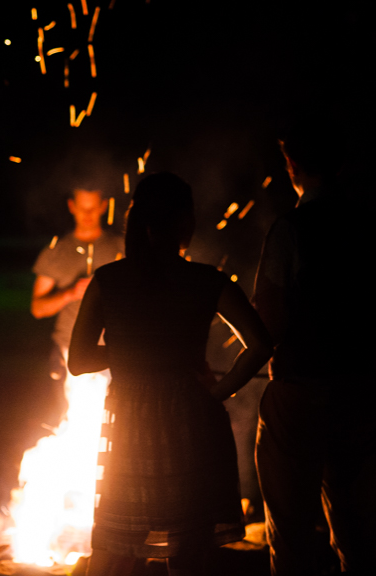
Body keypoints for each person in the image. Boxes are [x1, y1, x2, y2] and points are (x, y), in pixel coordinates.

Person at [68, 173, 273, 576]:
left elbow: (78, 360)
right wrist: (218, 393)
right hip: (192, 419)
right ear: (183, 222)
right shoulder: (205, 280)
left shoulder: (109, 279)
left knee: (115, 545)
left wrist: (129, 350)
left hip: (131, 422)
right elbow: (261, 345)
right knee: (188, 549)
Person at [253, 118, 376, 575]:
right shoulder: (371, 226)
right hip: (361, 389)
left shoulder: (291, 229)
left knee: (291, 534)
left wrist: (232, 378)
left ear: (292, 165)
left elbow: (268, 322)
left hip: (300, 393)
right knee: (359, 531)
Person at [32, 188, 125, 410]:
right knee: (76, 417)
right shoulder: (56, 252)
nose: (87, 214)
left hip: (115, 351)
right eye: (82, 208)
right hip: (68, 350)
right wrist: (71, 293)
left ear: (104, 206)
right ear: (72, 206)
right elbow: (37, 308)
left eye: (93, 208)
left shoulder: (121, 248)